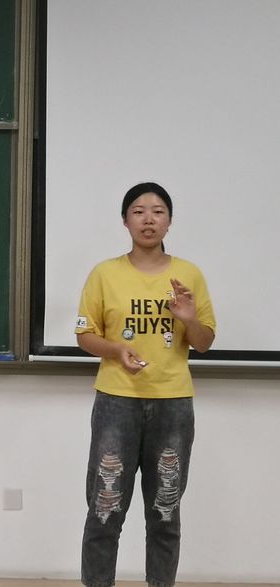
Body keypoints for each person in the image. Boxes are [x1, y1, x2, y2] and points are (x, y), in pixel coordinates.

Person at [75, 182, 216, 587]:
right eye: (138, 211)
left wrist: (188, 317)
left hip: (172, 403)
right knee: (105, 510)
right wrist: (116, 349)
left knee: (165, 512)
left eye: (158, 211)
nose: (148, 219)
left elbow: (204, 342)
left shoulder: (188, 274)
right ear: (125, 221)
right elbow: (85, 335)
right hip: (116, 401)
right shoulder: (105, 273)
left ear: (169, 221)